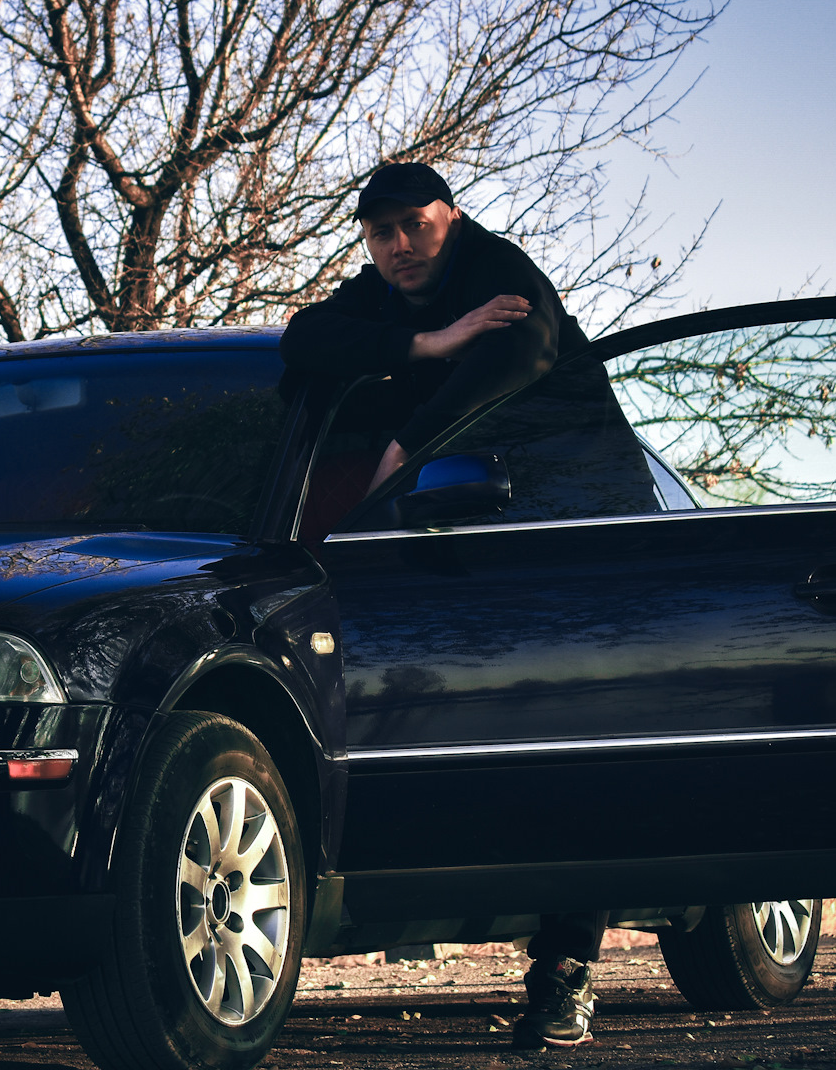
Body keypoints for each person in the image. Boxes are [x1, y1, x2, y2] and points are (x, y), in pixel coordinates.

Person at [280, 161, 606, 1050]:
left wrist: (405, 447)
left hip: (568, 524)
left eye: (414, 225)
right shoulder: (387, 295)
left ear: (449, 218)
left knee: (564, 744)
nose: (399, 246)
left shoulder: (501, 270)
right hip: (450, 534)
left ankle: (566, 971)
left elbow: (525, 353)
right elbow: (304, 338)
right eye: (380, 233)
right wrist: (426, 345)